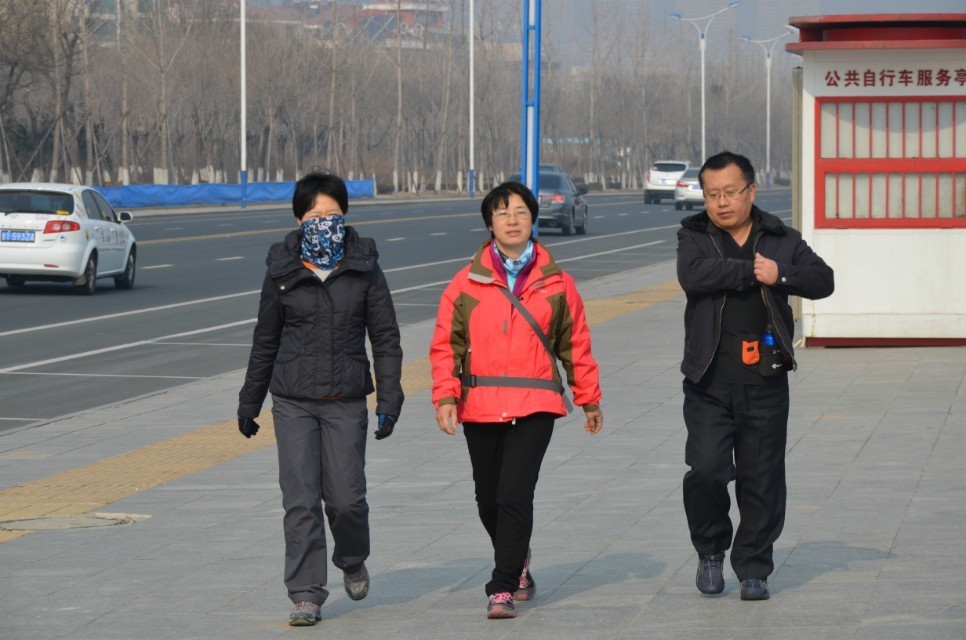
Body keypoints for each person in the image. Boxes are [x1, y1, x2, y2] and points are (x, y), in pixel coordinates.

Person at [236, 172, 403, 626]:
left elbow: (385, 336)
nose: (323, 222)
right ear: (298, 218)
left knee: (347, 499)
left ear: (345, 216)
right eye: (314, 215)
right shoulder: (283, 267)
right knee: (300, 499)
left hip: (346, 399)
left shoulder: (364, 264)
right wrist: (249, 401)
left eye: (332, 214)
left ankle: (351, 558)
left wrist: (390, 397)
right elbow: (265, 338)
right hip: (292, 401)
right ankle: (306, 593)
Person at [430, 181, 604, 619]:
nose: (512, 219)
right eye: (502, 212)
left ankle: (503, 585)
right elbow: (445, 345)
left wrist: (589, 399)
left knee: (514, 494)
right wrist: (446, 397)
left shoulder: (558, 282)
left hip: (535, 404)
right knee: (487, 498)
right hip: (480, 404)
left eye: (521, 211)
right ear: (490, 222)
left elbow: (575, 344)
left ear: (533, 220)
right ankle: (518, 556)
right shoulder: (465, 282)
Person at [677, 151, 834, 601]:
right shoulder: (695, 235)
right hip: (708, 379)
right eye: (712, 194)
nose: (721, 202)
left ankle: (753, 567)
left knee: (761, 476)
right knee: (706, 469)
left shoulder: (781, 238)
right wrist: (752, 272)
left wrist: (781, 273)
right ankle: (710, 550)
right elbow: (693, 276)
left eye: (730, 192)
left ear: (751, 190)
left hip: (765, 378)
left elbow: (823, 280)